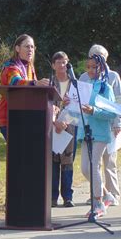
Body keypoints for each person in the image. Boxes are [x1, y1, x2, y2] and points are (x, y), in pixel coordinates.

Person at [79, 44, 121, 206]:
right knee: (86, 168)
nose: (90, 70)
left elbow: (115, 107)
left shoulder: (108, 84)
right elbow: (78, 106)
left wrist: (95, 112)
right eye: (88, 66)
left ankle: (99, 204)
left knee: (103, 164)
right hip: (86, 131)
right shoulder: (83, 80)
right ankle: (105, 194)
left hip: (103, 131)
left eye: (94, 66)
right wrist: (70, 105)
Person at [0, 34, 50, 140]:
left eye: (32, 47)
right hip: (10, 118)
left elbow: (34, 91)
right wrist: (36, 83)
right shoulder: (10, 66)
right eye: (27, 46)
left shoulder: (30, 66)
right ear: (17, 48)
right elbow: (16, 82)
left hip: (27, 117)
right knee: (17, 154)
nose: (30, 49)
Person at [50, 51, 76, 208]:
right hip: (52, 127)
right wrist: (55, 122)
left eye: (65, 62)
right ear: (53, 65)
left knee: (67, 162)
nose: (62, 65)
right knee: (53, 162)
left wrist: (65, 122)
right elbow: (46, 105)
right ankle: (52, 197)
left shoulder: (75, 84)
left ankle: (67, 196)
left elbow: (78, 108)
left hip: (70, 127)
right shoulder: (49, 84)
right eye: (59, 62)